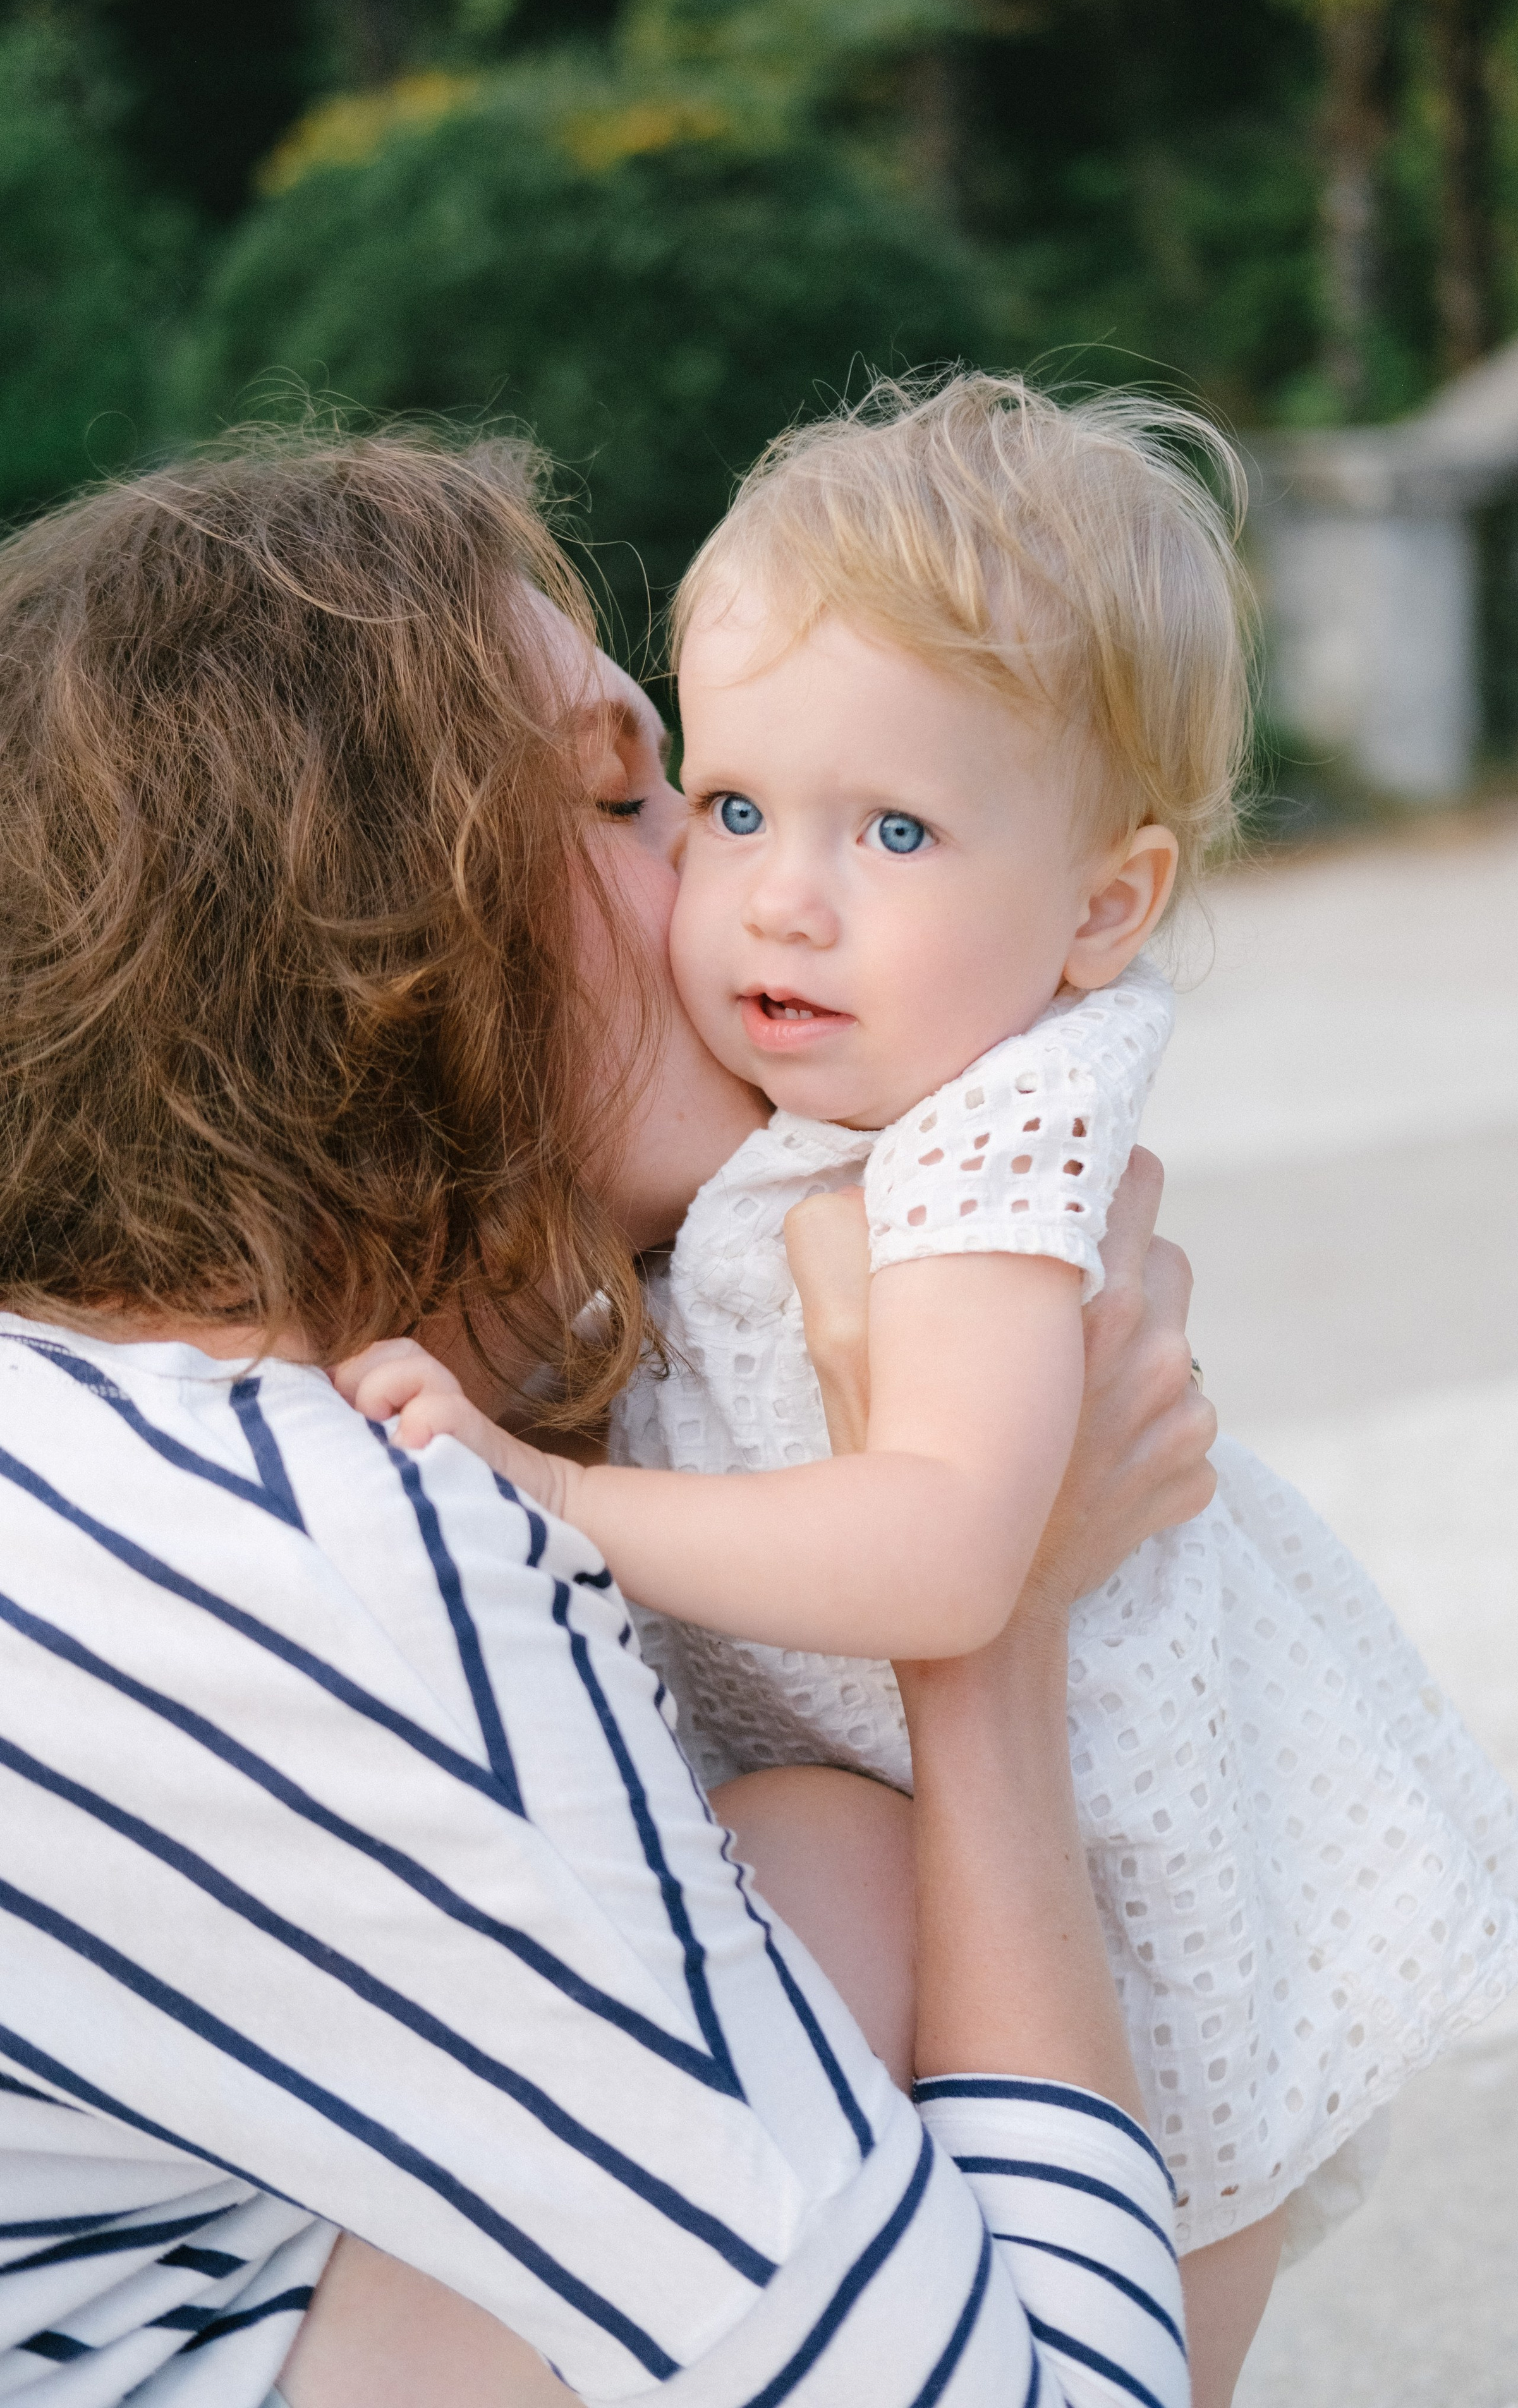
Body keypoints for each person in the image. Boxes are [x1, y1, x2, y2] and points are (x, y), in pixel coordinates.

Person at [347, 377, 1518, 2404]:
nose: (784, 899)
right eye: (734, 810)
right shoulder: (836, 1058)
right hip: (941, 1845)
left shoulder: (1000, 1136)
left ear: (1105, 908)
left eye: (893, 829)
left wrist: (539, 1495)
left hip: (1153, 1910)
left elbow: (947, 1548)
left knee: (1121, 2329)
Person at [0, 427, 1221, 2408]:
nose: (737, 893)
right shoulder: (321, 1568)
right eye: (659, 798)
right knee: (855, 1882)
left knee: (814, 1870)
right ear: (371, 921)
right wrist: (990, 1622)